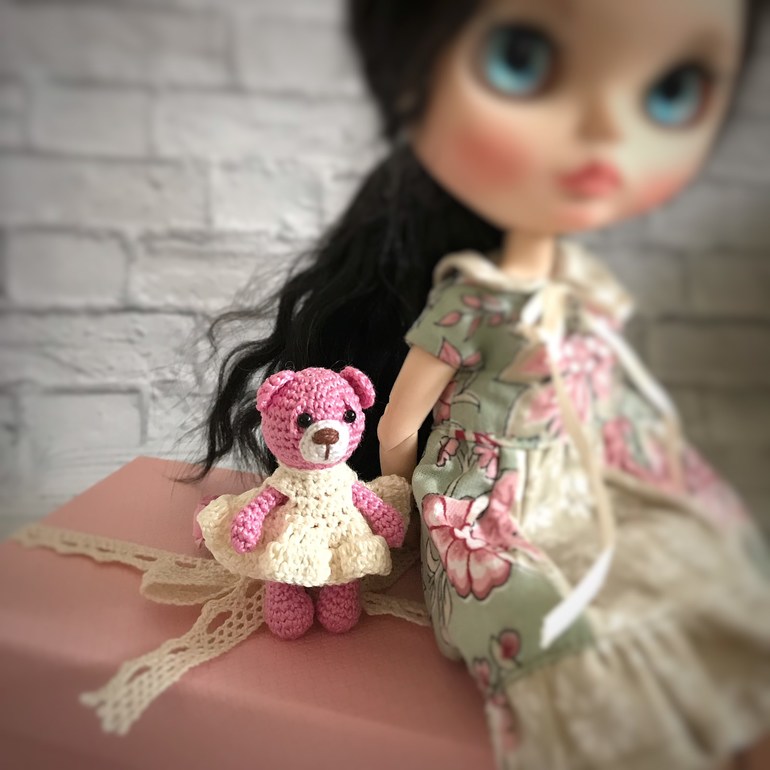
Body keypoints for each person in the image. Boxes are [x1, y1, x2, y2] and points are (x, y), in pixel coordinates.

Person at [196, 1, 770, 767]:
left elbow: (604, 402)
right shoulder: (471, 300)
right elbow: (399, 423)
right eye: (522, 60)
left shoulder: (583, 288)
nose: (606, 132)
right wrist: (398, 512)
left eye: (672, 91)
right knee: (549, 611)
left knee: (699, 581)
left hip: (582, 474)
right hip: (490, 491)